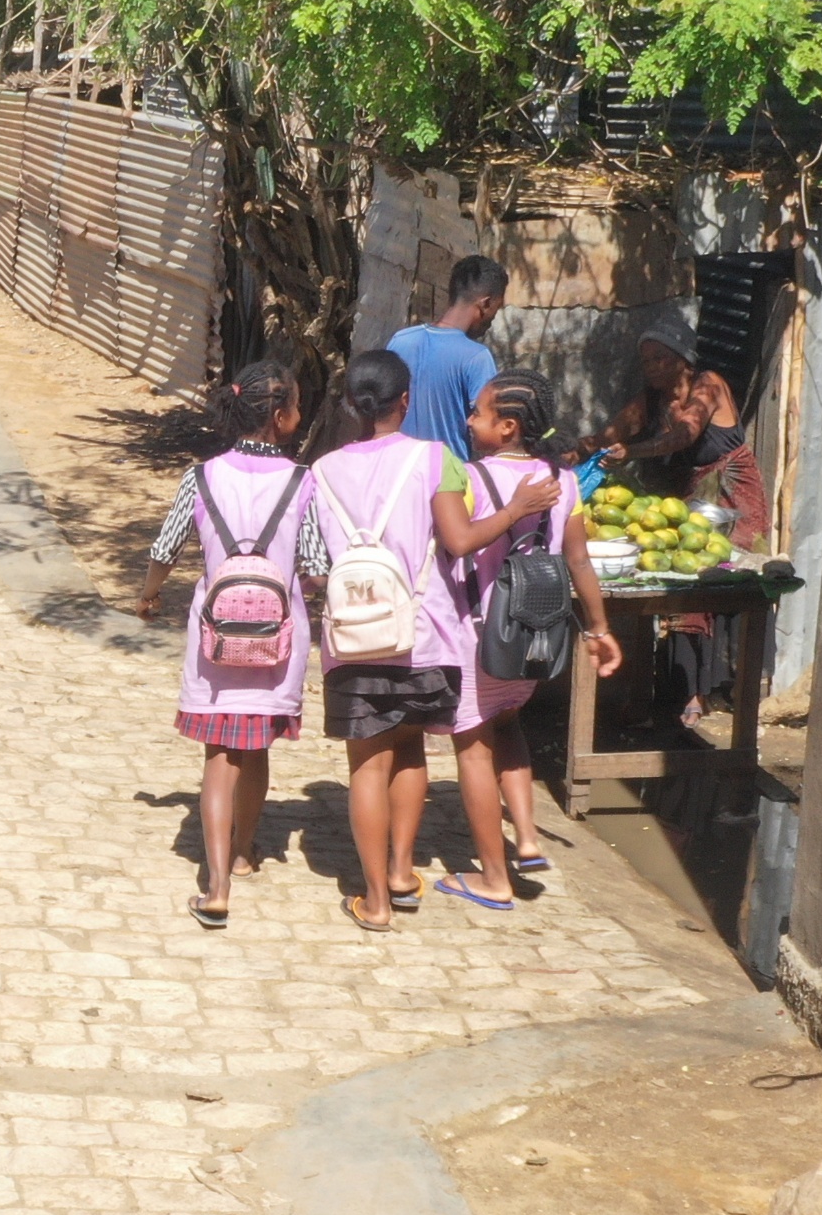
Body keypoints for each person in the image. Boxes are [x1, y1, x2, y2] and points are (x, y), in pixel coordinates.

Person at [305, 351, 556, 930]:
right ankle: (400, 871)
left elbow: (315, 568)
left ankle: (374, 900)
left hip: (353, 638)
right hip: (426, 633)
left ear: (349, 403)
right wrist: (517, 509)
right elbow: (461, 540)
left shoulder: (322, 471)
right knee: (412, 750)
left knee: (368, 765)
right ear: (406, 401)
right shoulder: (435, 458)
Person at [137, 356, 318, 926]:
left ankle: (214, 888)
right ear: (283, 415)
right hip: (277, 640)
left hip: (214, 639)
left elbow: (165, 549)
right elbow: (313, 564)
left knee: (219, 754)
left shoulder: (201, 476)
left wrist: (148, 596)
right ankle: (243, 854)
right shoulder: (302, 480)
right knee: (254, 745)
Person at [451, 369, 622, 884]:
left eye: (477, 412)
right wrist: (598, 628)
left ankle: (494, 877)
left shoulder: (470, 478)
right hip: (536, 635)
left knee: (474, 744)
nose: (468, 419)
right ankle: (526, 836)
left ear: (506, 427)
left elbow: (454, 544)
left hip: (480, 636)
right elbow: (579, 562)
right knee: (509, 725)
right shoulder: (564, 481)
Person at [584, 313, 765, 724]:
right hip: (690, 495)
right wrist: (576, 451)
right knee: (688, 578)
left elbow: (685, 433)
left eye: (659, 359)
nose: (651, 368)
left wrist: (636, 452)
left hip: (731, 491)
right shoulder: (649, 399)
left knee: (731, 577)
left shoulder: (708, 384)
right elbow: (611, 433)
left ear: (684, 360)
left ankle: (727, 687)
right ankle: (686, 690)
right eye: (646, 361)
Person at [385, 256, 507, 458]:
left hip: (400, 472)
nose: (493, 318)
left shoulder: (401, 341)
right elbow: (491, 427)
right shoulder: (476, 357)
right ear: (486, 303)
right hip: (448, 480)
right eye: (496, 307)